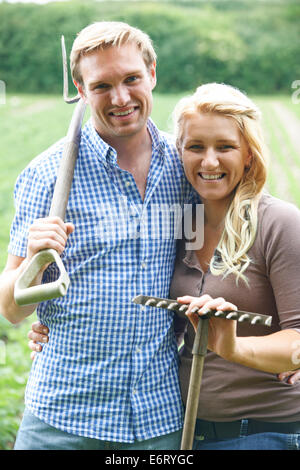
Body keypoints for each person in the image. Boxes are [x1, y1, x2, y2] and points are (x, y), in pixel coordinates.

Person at [0, 21, 197, 450]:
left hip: (157, 419)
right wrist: (35, 259)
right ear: (80, 88)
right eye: (102, 85)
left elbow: (228, 264)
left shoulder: (187, 170)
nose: (121, 98)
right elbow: (10, 309)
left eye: (131, 79)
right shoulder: (48, 175)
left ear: (152, 73)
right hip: (62, 420)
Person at [168, 83, 300, 450]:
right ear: (180, 153)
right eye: (196, 147)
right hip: (185, 429)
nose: (209, 162)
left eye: (224, 147)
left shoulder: (279, 224)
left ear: (248, 155)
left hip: (263, 431)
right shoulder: (184, 223)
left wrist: (233, 347)